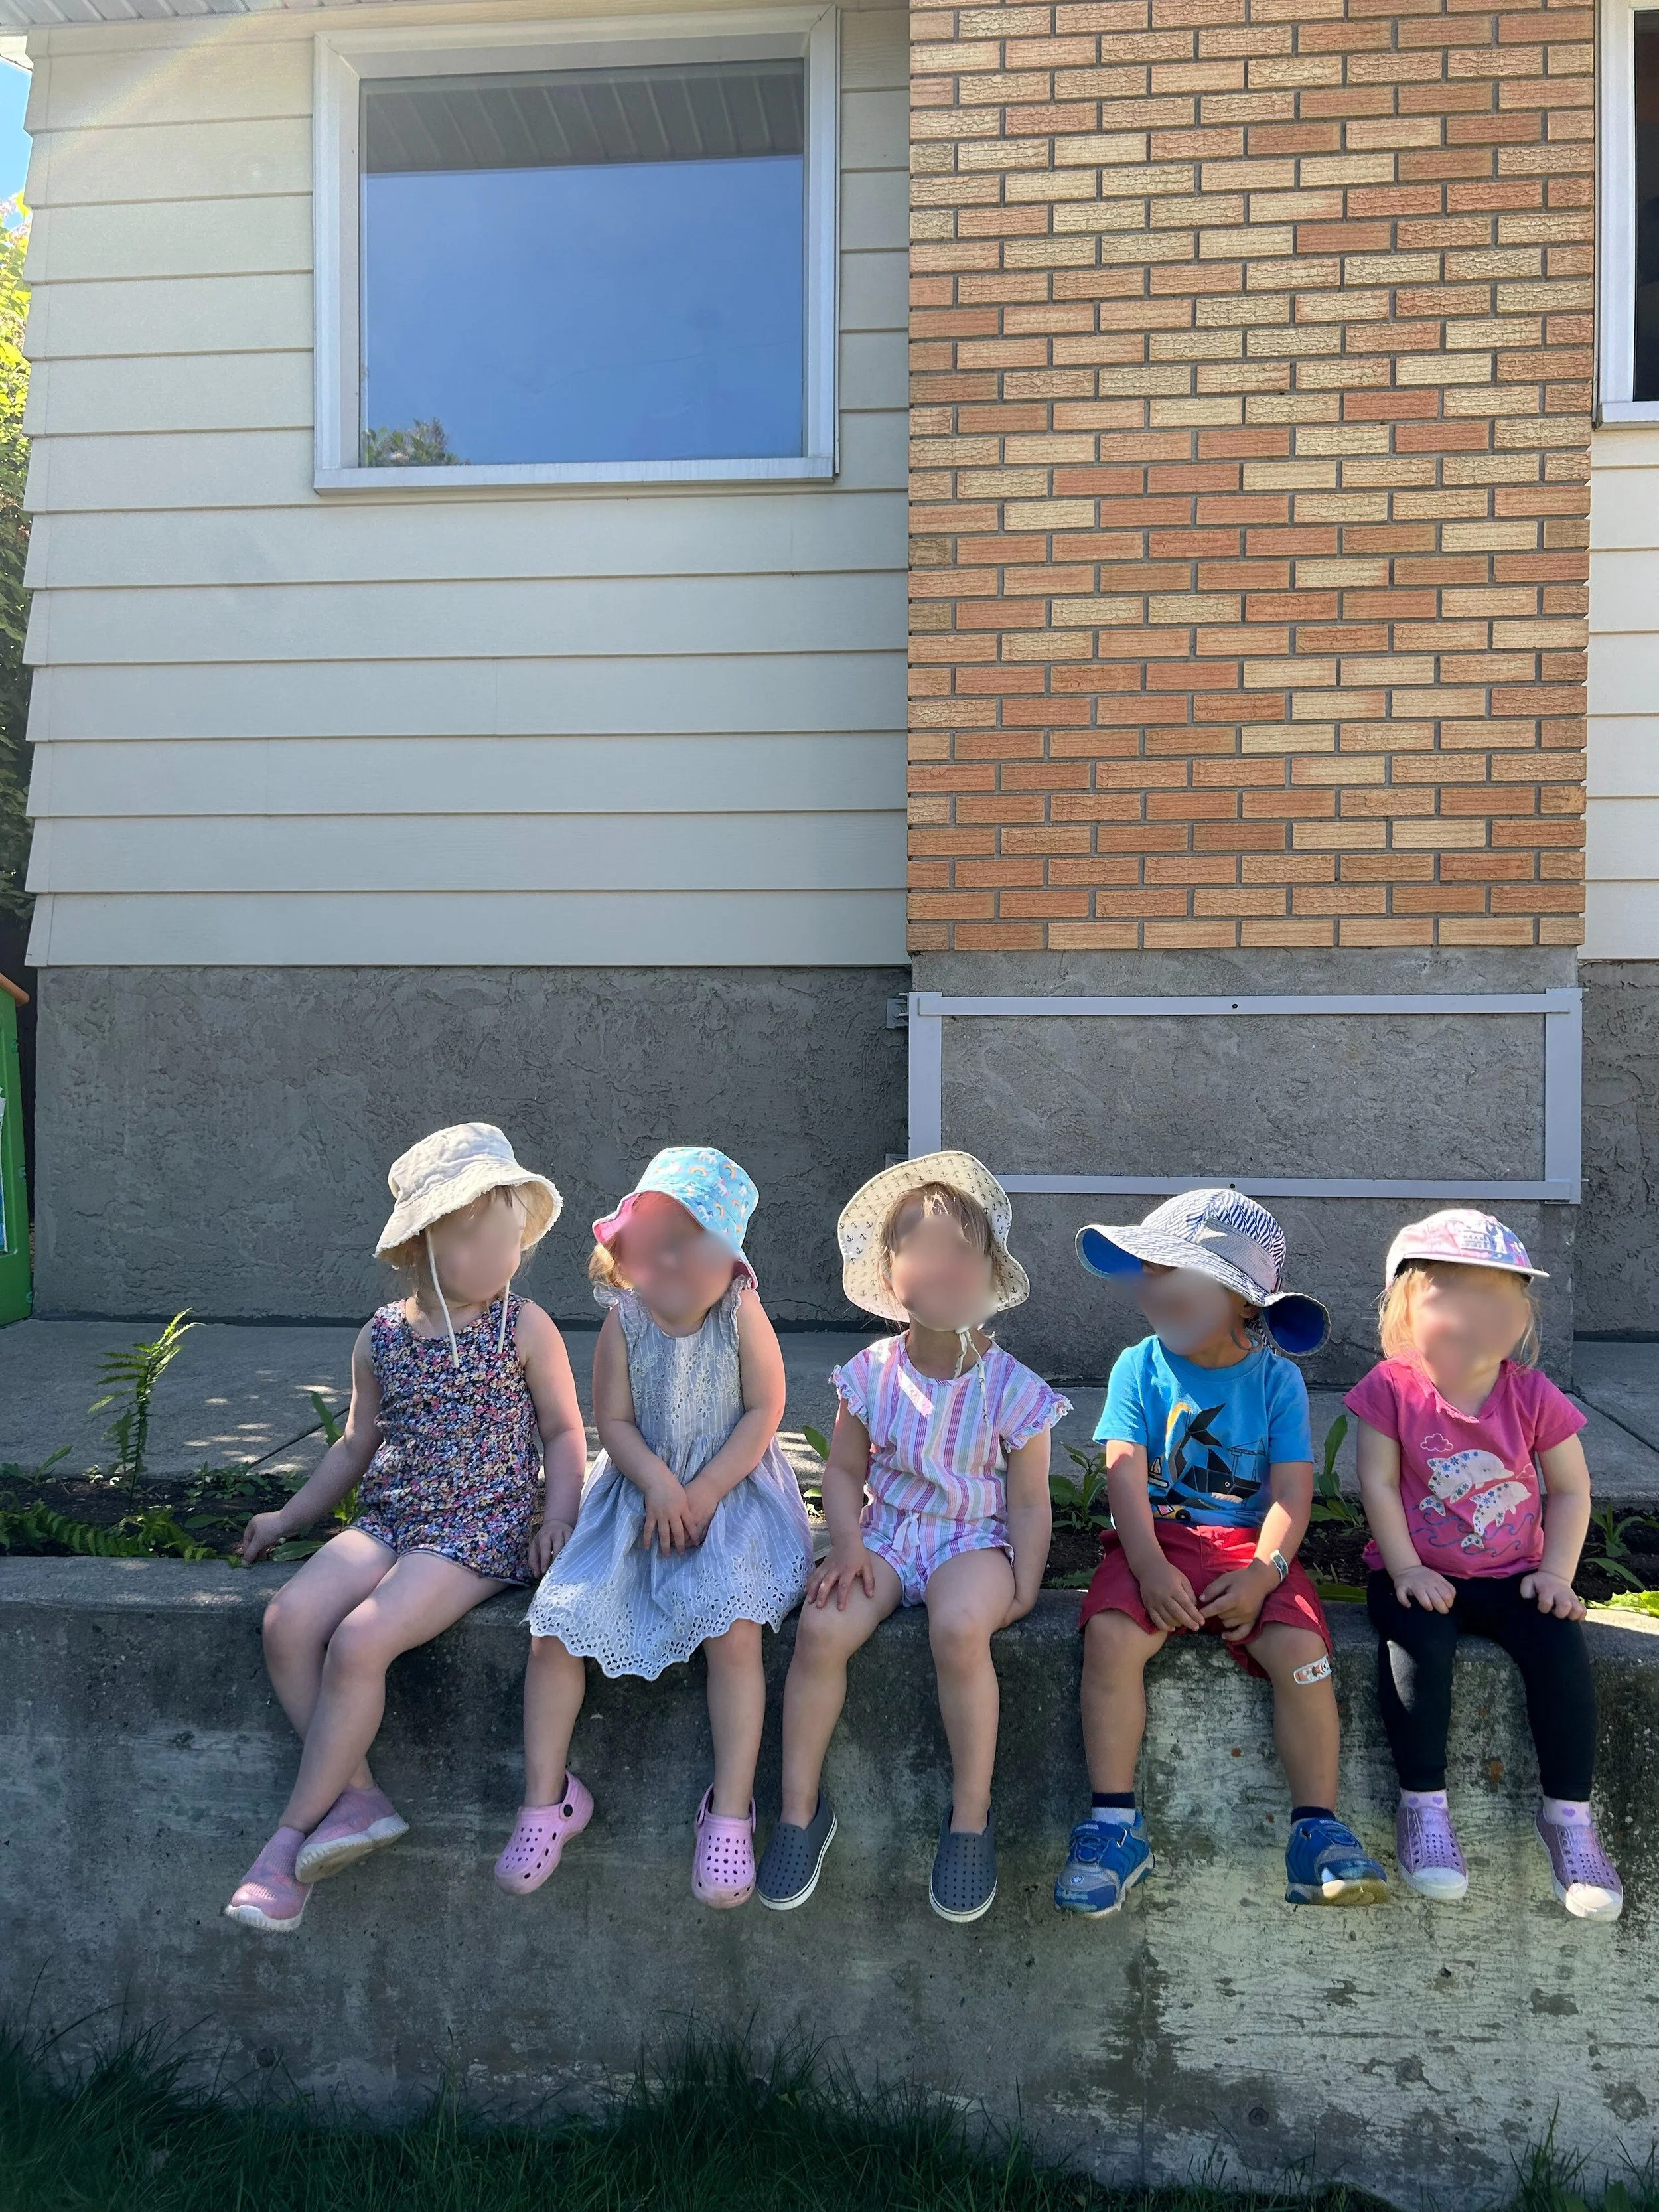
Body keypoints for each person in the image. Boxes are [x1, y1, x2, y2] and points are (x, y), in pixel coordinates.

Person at [227, 1123, 584, 1933]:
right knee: (287, 1622)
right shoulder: (381, 1336)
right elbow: (357, 1444)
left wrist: (557, 1515)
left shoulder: (520, 1327)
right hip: (393, 1519)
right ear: (422, 1243)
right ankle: (356, 1797)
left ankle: (285, 1849)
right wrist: (288, 1517)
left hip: (479, 1529)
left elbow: (565, 1432)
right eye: (484, 1244)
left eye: (512, 1245)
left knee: (359, 1642)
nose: (506, 1261)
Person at [1054, 1188, 1388, 1918]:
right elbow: (1123, 1478)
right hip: (1159, 1539)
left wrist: (1265, 1575)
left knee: (1303, 1652)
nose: (1152, 1284)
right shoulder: (1137, 1366)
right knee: (1110, 1639)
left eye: (1173, 1269)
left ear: (1241, 1300)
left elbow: (1291, 1497)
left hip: (1250, 1546)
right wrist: (1144, 1564)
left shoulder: (1277, 1380)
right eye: (1149, 1269)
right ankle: (1114, 1826)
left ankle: (1316, 1830)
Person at [757, 1152, 1067, 1925]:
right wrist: (850, 1542)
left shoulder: (1014, 1389)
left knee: (960, 1627)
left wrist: (1025, 1580)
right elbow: (839, 1471)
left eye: (961, 1252)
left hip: (972, 1539)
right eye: (921, 1253)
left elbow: (1028, 1503)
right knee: (823, 1629)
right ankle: (799, 1809)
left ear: (991, 1272)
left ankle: (970, 1815)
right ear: (889, 1274)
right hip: (889, 1535)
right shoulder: (869, 1374)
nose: (942, 1269)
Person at [499, 1147, 812, 1909]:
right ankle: (548, 1799)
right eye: (654, 1241)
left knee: (732, 1627)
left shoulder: (741, 1313)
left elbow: (763, 1413)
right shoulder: (625, 1322)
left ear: (729, 1258)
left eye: (690, 1241)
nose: (669, 1259)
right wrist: (660, 1485)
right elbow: (614, 1420)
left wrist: (701, 1489)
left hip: (731, 1493)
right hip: (640, 1492)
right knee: (557, 1624)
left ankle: (730, 1810)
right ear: (624, 1251)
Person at [1350, 1209, 1620, 1919]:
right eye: (1459, 1294)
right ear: (1409, 1305)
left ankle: (1568, 1818)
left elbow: (1569, 1489)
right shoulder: (1391, 1388)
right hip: (1414, 1576)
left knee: (1559, 1651)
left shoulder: (1531, 1394)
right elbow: (1377, 1481)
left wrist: (1557, 1575)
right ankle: (1424, 1807)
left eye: (1503, 1296)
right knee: (1417, 1652)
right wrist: (1406, 1569)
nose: (1484, 1313)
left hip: (1513, 1577)